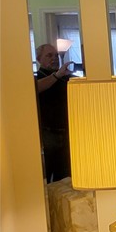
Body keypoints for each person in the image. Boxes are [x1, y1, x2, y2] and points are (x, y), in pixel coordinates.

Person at [34, 43, 72, 182]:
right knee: (46, 176)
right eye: (49, 55)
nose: (54, 59)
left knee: (65, 176)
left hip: (67, 133)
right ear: (39, 59)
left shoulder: (64, 77)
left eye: (56, 55)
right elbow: (36, 88)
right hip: (48, 135)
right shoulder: (37, 77)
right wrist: (57, 75)